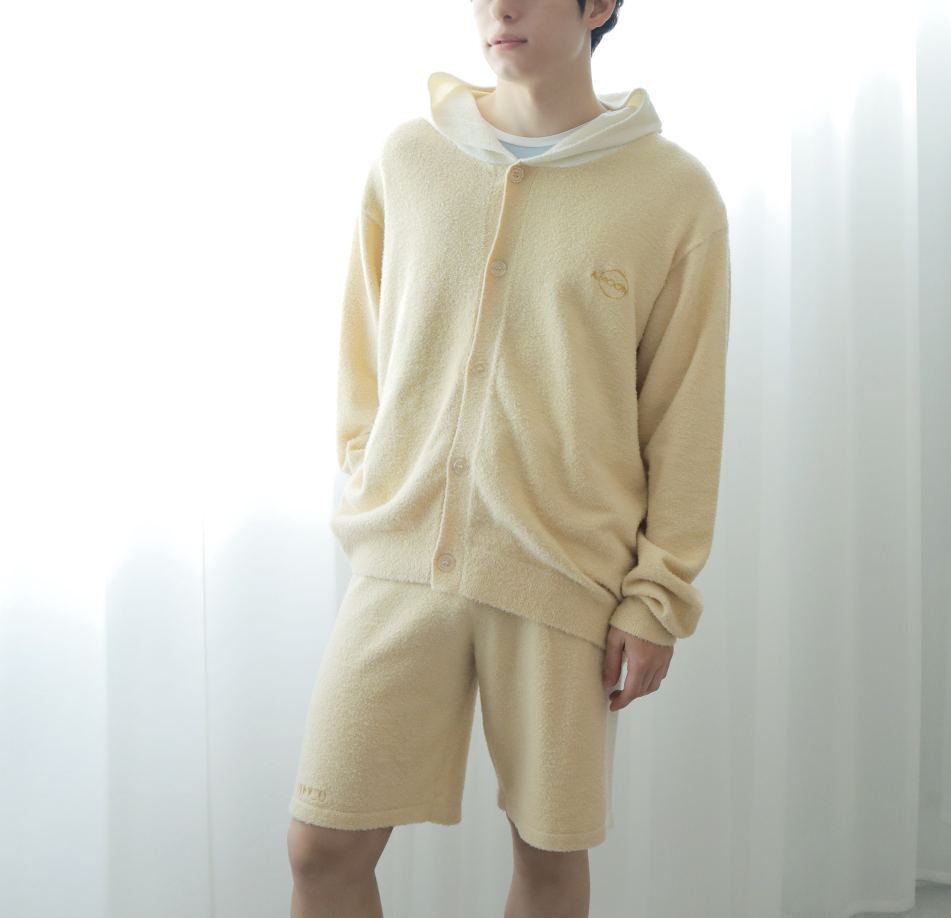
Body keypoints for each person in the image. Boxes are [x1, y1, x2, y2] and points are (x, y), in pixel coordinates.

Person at [286, 0, 731, 915]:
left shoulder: (672, 194)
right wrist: (375, 472)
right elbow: (362, 353)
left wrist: (656, 597)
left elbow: (684, 415)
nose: (499, 8)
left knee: (547, 854)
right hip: (402, 560)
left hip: (563, 574)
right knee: (321, 845)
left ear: (598, 5)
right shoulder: (409, 159)